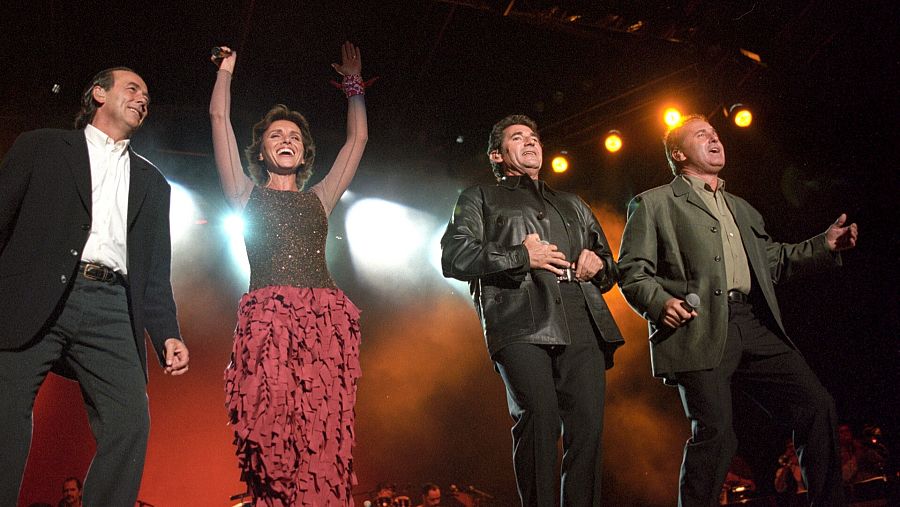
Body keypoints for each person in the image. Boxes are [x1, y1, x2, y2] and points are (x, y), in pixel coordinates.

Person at [617, 114, 858, 507]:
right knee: (716, 434)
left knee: (817, 405)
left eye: (715, 133)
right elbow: (631, 271)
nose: (715, 139)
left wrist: (823, 245)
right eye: (702, 134)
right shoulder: (654, 203)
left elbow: (772, 261)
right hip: (698, 326)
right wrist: (660, 304)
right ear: (678, 153)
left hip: (750, 321)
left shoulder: (742, 209)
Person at [0, 67, 189, 506]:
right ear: (98, 94)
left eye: (147, 95)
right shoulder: (41, 146)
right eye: (132, 88)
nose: (143, 99)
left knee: (130, 421)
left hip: (110, 306)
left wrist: (167, 333)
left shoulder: (153, 184)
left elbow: (154, 271)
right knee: (5, 412)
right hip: (34, 294)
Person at [209, 41, 368, 505]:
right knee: (270, 438)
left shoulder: (320, 197)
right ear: (260, 151)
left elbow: (357, 141)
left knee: (322, 437)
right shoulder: (244, 194)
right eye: (276, 135)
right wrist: (226, 72)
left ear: (304, 153)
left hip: (323, 322)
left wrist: (353, 86)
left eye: (295, 137)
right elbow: (218, 119)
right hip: (268, 323)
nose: (286, 140)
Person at [440, 114, 625, 506]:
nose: (530, 142)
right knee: (540, 419)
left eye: (534, 137)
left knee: (587, 430)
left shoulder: (572, 204)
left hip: (581, 320)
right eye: (517, 137)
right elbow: (454, 255)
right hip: (519, 320)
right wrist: (521, 256)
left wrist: (598, 264)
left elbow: (610, 268)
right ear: (496, 154)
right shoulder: (479, 197)